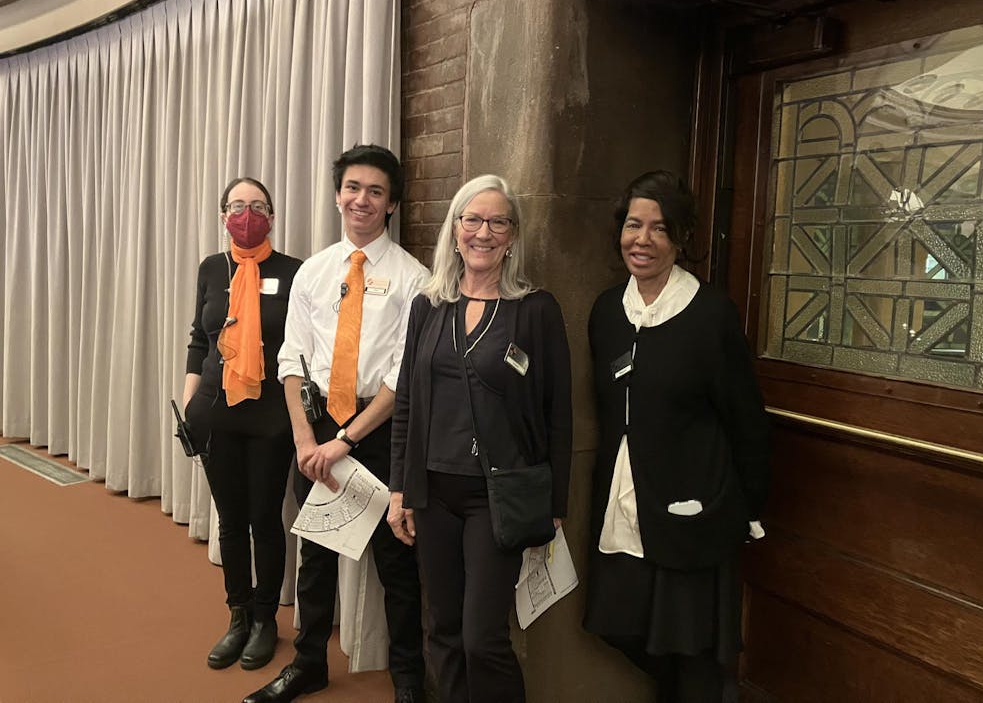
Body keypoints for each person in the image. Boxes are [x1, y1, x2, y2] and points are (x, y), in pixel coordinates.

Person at [243, 145, 428, 703]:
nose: (362, 200)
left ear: (392, 203)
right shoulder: (314, 273)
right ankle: (309, 663)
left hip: (377, 435)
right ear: (337, 195)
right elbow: (292, 359)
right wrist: (308, 440)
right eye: (353, 188)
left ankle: (410, 678)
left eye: (375, 191)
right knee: (317, 558)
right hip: (318, 433)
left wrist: (345, 441)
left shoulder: (414, 280)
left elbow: (402, 379)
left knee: (397, 563)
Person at [583, 170, 770, 703]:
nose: (642, 240)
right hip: (623, 503)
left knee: (693, 656)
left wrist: (747, 504)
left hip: (694, 505)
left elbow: (746, 417)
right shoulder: (605, 312)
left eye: (659, 229)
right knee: (622, 627)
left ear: (680, 239)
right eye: (634, 225)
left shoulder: (710, 313)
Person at [387, 174, 573, 703]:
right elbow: (406, 404)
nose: (483, 232)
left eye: (498, 222)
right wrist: (400, 490)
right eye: (473, 219)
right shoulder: (428, 306)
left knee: (481, 639)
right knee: (443, 631)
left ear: (513, 235)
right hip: (433, 493)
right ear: (455, 229)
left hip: (497, 496)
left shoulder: (536, 310)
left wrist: (555, 502)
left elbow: (559, 412)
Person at [183, 177, 302, 671]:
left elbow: (300, 347)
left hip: (272, 414)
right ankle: (237, 614)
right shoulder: (212, 268)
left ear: (271, 216)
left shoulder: (295, 271)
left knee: (264, 520)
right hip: (215, 410)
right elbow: (198, 339)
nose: (247, 214)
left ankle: (265, 620)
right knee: (230, 522)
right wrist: (191, 405)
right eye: (237, 205)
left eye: (257, 206)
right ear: (222, 214)